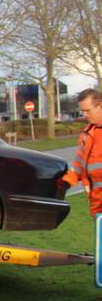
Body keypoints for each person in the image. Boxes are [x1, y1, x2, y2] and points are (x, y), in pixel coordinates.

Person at [59, 88, 102, 218]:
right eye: (82, 111)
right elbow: (79, 165)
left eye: (88, 110)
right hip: (97, 205)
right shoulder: (87, 134)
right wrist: (66, 183)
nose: (85, 115)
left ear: (100, 106)